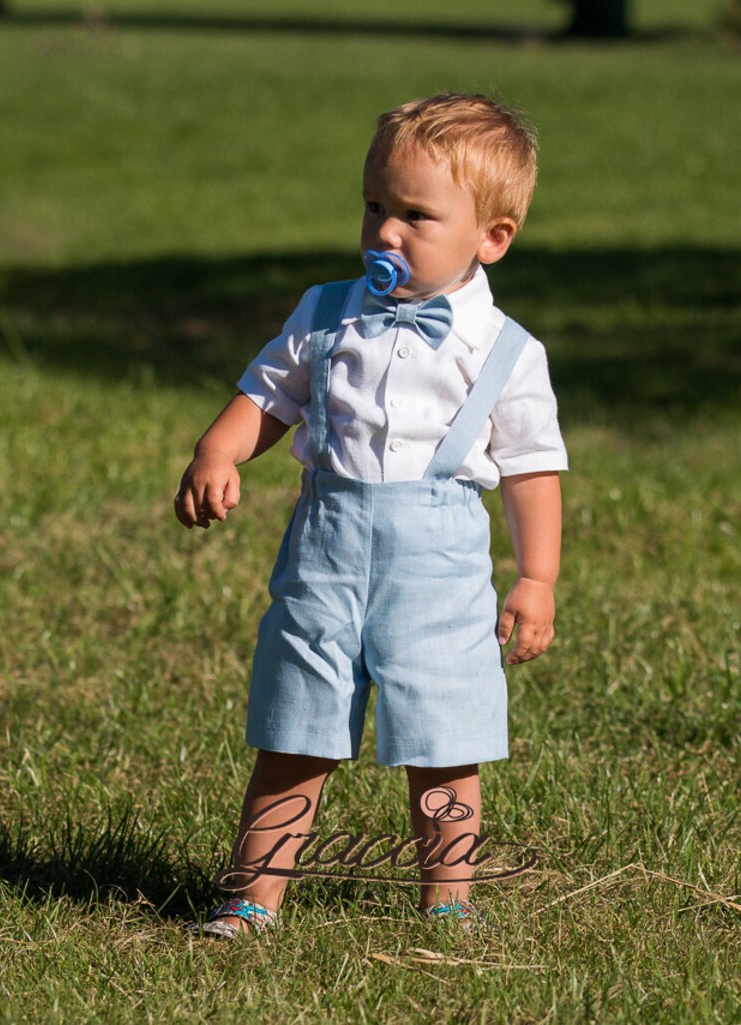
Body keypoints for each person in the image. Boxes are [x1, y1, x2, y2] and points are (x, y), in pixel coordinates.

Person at [174, 92, 566, 937]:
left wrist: (537, 576)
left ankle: (448, 896)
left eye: (417, 216)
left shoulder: (507, 350)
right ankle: (253, 896)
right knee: (296, 726)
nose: (386, 232)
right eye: (375, 206)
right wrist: (219, 450)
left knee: (441, 733)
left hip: (441, 566)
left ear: (491, 238)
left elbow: (534, 470)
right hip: (326, 550)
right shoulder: (325, 310)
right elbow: (268, 395)